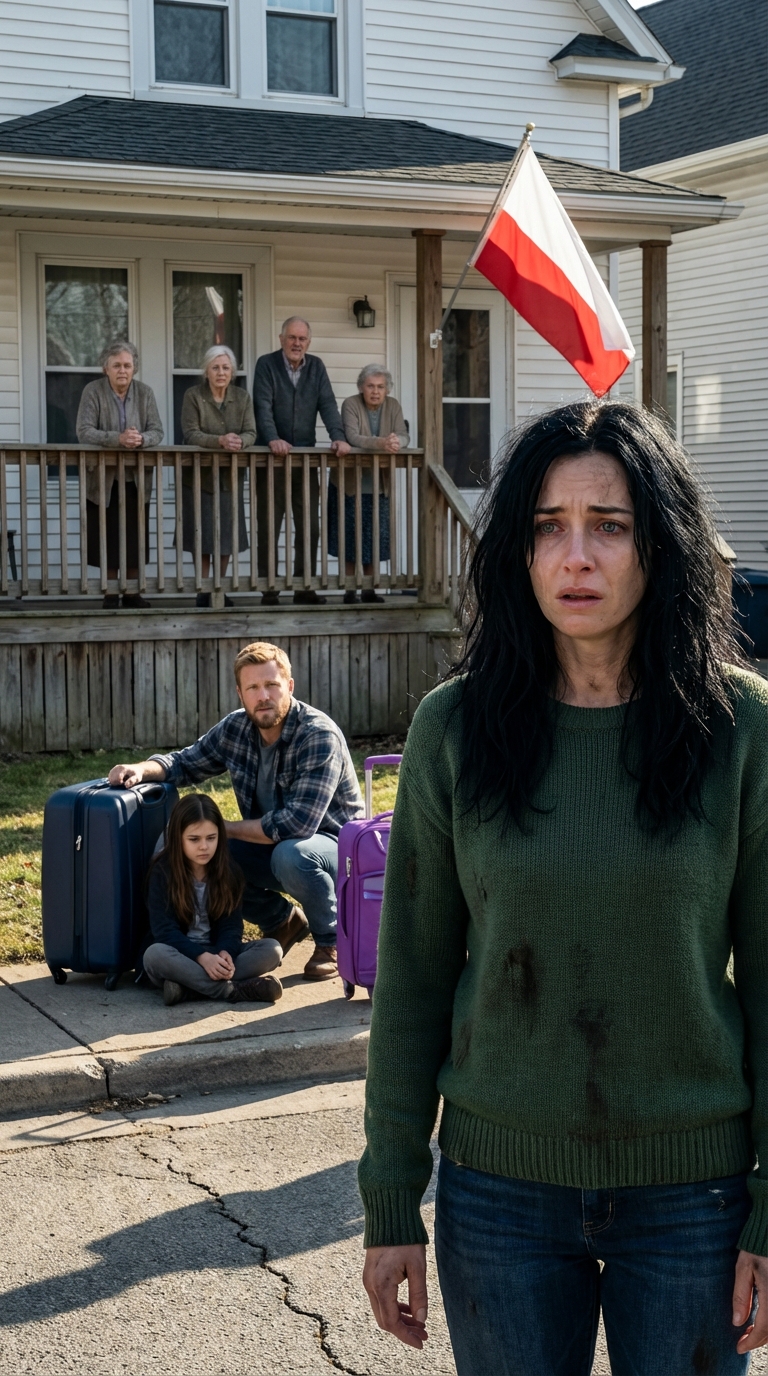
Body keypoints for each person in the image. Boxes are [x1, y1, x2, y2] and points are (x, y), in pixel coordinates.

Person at [359, 400, 768, 1375]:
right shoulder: (453, 729)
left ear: (659, 545)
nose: (575, 556)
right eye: (549, 526)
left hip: (695, 1197)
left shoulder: (743, 730)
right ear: (518, 549)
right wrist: (390, 1197)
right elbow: (412, 981)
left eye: (609, 525)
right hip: (499, 1195)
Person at [108, 640, 363, 981]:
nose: (263, 696)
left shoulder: (318, 735)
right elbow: (185, 762)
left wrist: (223, 828)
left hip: (337, 850)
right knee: (207, 849)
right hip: (274, 844)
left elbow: (297, 825)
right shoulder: (236, 728)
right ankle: (282, 921)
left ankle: (331, 942)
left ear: (289, 686)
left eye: (271, 685)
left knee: (290, 854)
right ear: (240, 694)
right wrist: (142, 769)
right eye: (253, 688)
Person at [144, 792, 283, 1005]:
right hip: (180, 955)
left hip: (216, 952)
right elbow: (165, 932)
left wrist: (225, 952)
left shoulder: (229, 870)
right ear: (178, 837)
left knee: (272, 950)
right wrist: (202, 957)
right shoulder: (162, 872)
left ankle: (188, 990)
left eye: (211, 838)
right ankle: (232, 991)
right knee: (154, 955)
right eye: (194, 839)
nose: (204, 846)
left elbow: (232, 926)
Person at [253, 317, 351, 606]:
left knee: (309, 527)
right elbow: (262, 407)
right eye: (292, 337)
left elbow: (328, 405)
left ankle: (304, 586)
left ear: (308, 342)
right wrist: (272, 438)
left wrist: (338, 436)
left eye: (302, 339)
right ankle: (269, 589)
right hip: (271, 462)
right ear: (281, 338)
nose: (297, 343)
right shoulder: (266, 364)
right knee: (269, 526)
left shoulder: (316, 367)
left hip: (305, 462)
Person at [76, 339, 164, 609]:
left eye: (127, 365)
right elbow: (84, 431)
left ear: (134, 368)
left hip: (136, 478)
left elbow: (157, 431)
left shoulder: (145, 393)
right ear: (106, 368)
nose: (122, 370)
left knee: (135, 536)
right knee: (107, 536)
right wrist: (118, 439)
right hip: (103, 477)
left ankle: (133, 593)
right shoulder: (93, 391)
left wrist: (141, 439)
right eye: (116, 365)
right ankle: (110, 593)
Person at [180, 345, 256, 608]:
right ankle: (203, 590)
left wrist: (240, 442)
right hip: (198, 477)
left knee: (226, 535)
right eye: (215, 368)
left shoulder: (242, 397)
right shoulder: (193, 395)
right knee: (201, 534)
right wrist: (220, 441)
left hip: (229, 477)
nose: (221, 372)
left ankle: (219, 588)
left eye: (225, 367)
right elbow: (191, 433)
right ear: (206, 371)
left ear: (232, 371)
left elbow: (251, 432)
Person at [334, 365, 408, 604]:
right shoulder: (351, 404)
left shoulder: (393, 406)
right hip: (349, 483)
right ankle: (349, 591)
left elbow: (403, 434)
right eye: (370, 386)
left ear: (387, 390)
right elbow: (353, 437)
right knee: (350, 539)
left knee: (374, 538)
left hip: (379, 485)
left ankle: (369, 590)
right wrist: (382, 443)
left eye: (380, 387)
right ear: (361, 387)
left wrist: (397, 442)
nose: (375, 391)